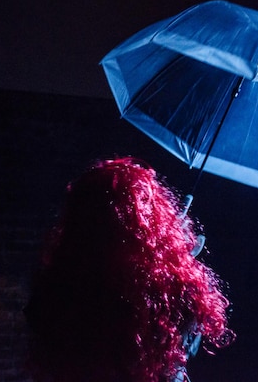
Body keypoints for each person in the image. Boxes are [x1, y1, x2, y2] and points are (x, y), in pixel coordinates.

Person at [24, 157, 234, 382]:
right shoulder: (173, 288)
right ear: (152, 218)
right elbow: (184, 349)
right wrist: (177, 257)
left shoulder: (54, 285)